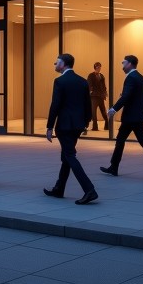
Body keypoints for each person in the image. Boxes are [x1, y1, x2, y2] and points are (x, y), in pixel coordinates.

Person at [44, 53, 98, 204]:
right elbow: (87, 104)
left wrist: (49, 126)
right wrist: (86, 122)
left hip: (65, 125)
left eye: (57, 62)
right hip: (78, 125)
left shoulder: (59, 81)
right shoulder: (82, 81)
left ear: (63, 64)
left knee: (70, 156)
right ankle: (59, 188)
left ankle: (89, 190)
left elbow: (55, 105)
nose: (55, 64)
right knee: (67, 157)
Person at [101, 55, 143, 179]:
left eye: (123, 63)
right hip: (138, 116)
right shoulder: (142, 78)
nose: (122, 66)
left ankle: (114, 167)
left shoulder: (130, 78)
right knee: (142, 141)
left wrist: (114, 109)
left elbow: (125, 96)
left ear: (130, 64)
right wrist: (142, 111)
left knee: (121, 140)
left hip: (130, 117)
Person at [86, 61, 108, 132]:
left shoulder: (101, 75)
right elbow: (89, 84)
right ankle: (95, 127)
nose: (99, 68)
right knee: (93, 112)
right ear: (95, 67)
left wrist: (105, 92)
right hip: (94, 97)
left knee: (103, 111)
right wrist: (90, 92)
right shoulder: (91, 75)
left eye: (100, 67)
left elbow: (104, 86)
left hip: (100, 96)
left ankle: (107, 125)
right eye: (98, 67)